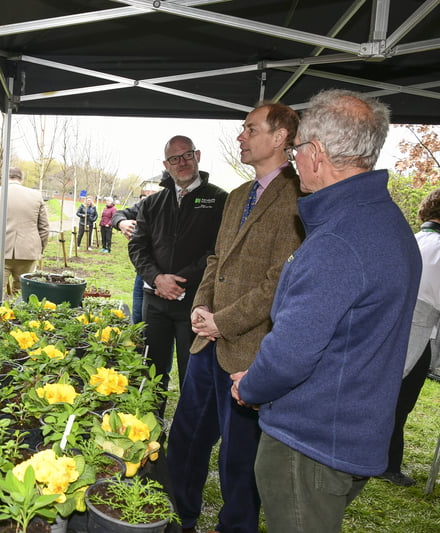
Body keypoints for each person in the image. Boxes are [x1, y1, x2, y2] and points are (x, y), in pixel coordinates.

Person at [231, 89, 421, 533]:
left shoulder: (339, 239)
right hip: (348, 430)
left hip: (309, 442)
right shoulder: (385, 221)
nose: (295, 162)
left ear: (315, 152)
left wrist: (252, 385)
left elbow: (292, 352)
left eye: (296, 151)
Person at [168, 103, 304, 533]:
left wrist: (222, 321)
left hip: (250, 352)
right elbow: (217, 259)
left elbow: (279, 280)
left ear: (280, 136)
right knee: (186, 437)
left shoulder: (301, 197)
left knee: (239, 458)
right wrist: (201, 308)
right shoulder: (240, 194)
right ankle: (178, 514)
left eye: (249, 129)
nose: (240, 136)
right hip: (206, 341)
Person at [129, 137, 227, 401]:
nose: (181, 162)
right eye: (174, 158)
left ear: (198, 156)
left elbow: (218, 251)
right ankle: (151, 434)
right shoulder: (151, 204)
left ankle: (188, 439)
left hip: (196, 304)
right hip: (155, 302)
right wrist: (157, 278)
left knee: (193, 374)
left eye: (186, 155)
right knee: (151, 371)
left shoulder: (220, 201)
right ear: (166, 164)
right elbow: (138, 248)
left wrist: (181, 281)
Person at [379, 188, 440, 487]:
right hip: (417, 334)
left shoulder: (410, 240)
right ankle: (386, 464)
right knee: (400, 404)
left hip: (385, 328)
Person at [0, 167, 50, 305]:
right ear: (21, 178)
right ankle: (20, 324)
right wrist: (39, 250)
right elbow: (44, 228)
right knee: (23, 293)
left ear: (5, 177)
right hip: (28, 252)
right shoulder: (36, 196)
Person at [112, 191, 150, 324]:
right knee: (138, 319)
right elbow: (118, 215)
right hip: (143, 272)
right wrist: (121, 223)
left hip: (174, 280)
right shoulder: (152, 202)